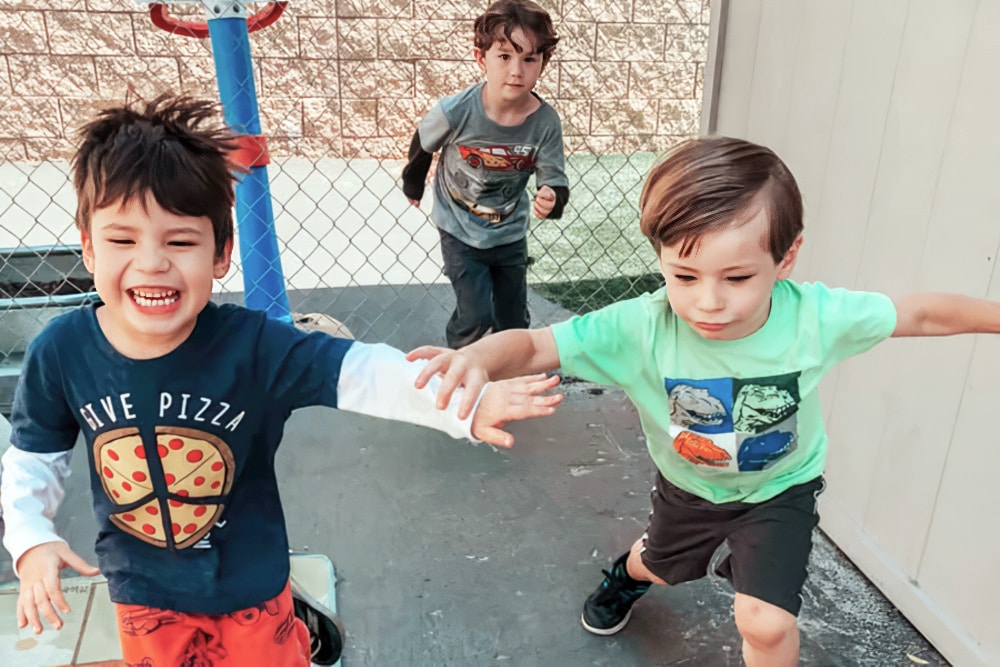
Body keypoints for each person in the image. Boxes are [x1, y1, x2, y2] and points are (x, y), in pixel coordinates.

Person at [0, 93, 562, 667]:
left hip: (249, 579)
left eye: (179, 241)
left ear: (221, 253)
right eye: (123, 240)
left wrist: (463, 405)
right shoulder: (61, 351)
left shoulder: (254, 346)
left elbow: (359, 370)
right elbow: (32, 456)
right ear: (89, 246)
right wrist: (30, 537)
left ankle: (295, 622)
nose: (151, 262)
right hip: (142, 587)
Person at [407, 135, 1000, 666]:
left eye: (736, 278)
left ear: (785, 258)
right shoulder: (639, 329)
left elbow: (922, 313)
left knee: (764, 622)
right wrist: (479, 358)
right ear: (662, 261)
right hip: (690, 488)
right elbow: (536, 345)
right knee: (660, 565)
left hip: (780, 490)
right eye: (684, 276)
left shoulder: (816, 318)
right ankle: (627, 575)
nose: (708, 302)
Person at [401, 0, 569, 349]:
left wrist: (551, 197)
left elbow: (554, 176)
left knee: (512, 318)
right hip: (460, 226)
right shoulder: (456, 111)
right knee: (476, 314)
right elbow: (424, 142)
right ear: (482, 58)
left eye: (529, 59)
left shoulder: (545, 123)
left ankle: (511, 375)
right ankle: (462, 371)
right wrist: (413, 182)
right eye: (505, 56)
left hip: (509, 230)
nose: (516, 71)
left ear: (543, 62)